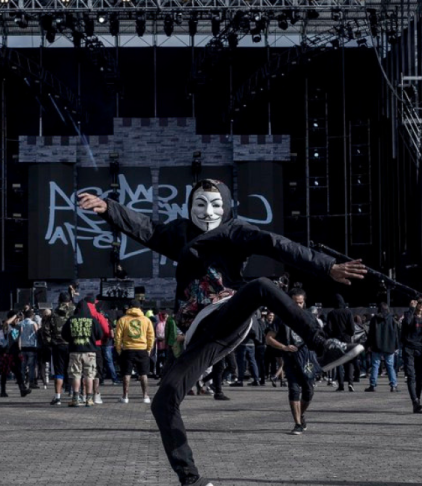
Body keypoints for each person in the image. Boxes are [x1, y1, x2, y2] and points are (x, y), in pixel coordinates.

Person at [79, 180, 365, 486]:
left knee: (261, 287)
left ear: (226, 207)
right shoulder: (179, 233)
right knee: (164, 400)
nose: (207, 212)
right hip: (201, 331)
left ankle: (321, 345)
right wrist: (109, 208)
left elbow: (279, 244)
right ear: (190, 207)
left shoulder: (235, 230)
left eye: (216, 205)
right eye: (200, 205)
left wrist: (327, 266)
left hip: (229, 312)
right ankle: (191, 479)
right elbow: (145, 227)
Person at [265, 288, 319, 435]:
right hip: (290, 358)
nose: (299, 306)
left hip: (307, 358)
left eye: (301, 303)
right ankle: (297, 423)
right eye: (296, 303)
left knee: (309, 391)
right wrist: (284, 347)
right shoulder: (281, 318)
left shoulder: (309, 317)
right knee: (294, 389)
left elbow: (318, 336)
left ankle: (300, 414)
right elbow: (269, 338)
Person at [63, 299, 103, 407]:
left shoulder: (71, 320)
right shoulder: (93, 319)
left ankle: (75, 398)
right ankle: (89, 399)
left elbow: (64, 335)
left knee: (76, 375)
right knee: (89, 375)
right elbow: (100, 334)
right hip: (90, 352)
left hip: (75, 351)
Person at [115, 298, 155, 404]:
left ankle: (125, 396)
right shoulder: (146, 320)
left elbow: (117, 337)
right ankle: (145, 396)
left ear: (129, 307)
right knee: (143, 373)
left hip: (127, 349)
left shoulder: (123, 320)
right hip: (142, 349)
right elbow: (151, 336)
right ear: (140, 308)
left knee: (126, 373)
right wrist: (149, 349)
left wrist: (119, 349)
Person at [44, 292, 74, 405]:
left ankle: (57, 397)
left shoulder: (54, 313)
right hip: (72, 346)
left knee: (59, 371)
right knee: (73, 371)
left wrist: (50, 342)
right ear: (69, 301)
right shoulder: (74, 311)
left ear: (59, 300)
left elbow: (46, 330)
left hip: (58, 345)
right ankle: (74, 393)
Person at [324, 293, 356, 392]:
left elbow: (328, 328)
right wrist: (348, 334)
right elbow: (352, 328)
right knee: (349, 361)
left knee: (338, 362)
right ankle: (350, 382)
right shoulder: (348, 312)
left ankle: (341, 384)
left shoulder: (331, 313)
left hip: (336, 339)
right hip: (346, 339)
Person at [364, 302, 399, 393]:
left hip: (377, 345)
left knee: (375, 365)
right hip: (389, 346)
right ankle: (393, 385)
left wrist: (368, 345)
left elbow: (371, 334)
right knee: (390, 366)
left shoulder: (374, 319)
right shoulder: (391, 319)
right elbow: (395, 334)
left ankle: (372, 384)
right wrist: (396, 346)